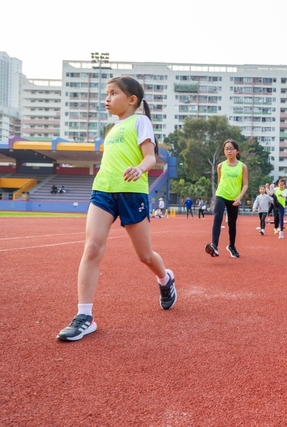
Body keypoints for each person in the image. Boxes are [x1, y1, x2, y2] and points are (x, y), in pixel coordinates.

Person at [56, 76, 176, 342]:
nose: (107, 99)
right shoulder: (112, 130)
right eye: (106, 94)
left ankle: (165, 279)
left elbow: (150, 157)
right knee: (92, 247)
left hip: (132, 193)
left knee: (145, 256)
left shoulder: (140, 121)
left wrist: (140, 169)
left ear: (132, 99)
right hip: (103, 191)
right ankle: (84, 316)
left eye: (113, 93)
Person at [205, 139, 249, 258]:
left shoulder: (242, 166)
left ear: (237, 151)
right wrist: (220, 193)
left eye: (231, 149)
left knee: (232, 223)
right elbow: (220, 181)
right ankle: (214, 245)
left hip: (234, 198)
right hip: (221, 194)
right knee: (217, 217)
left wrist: (239, 197)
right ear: (224, 151)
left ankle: (231, 246)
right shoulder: (220, 166)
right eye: (226, 149)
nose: (229, 151)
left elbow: (245, 184)